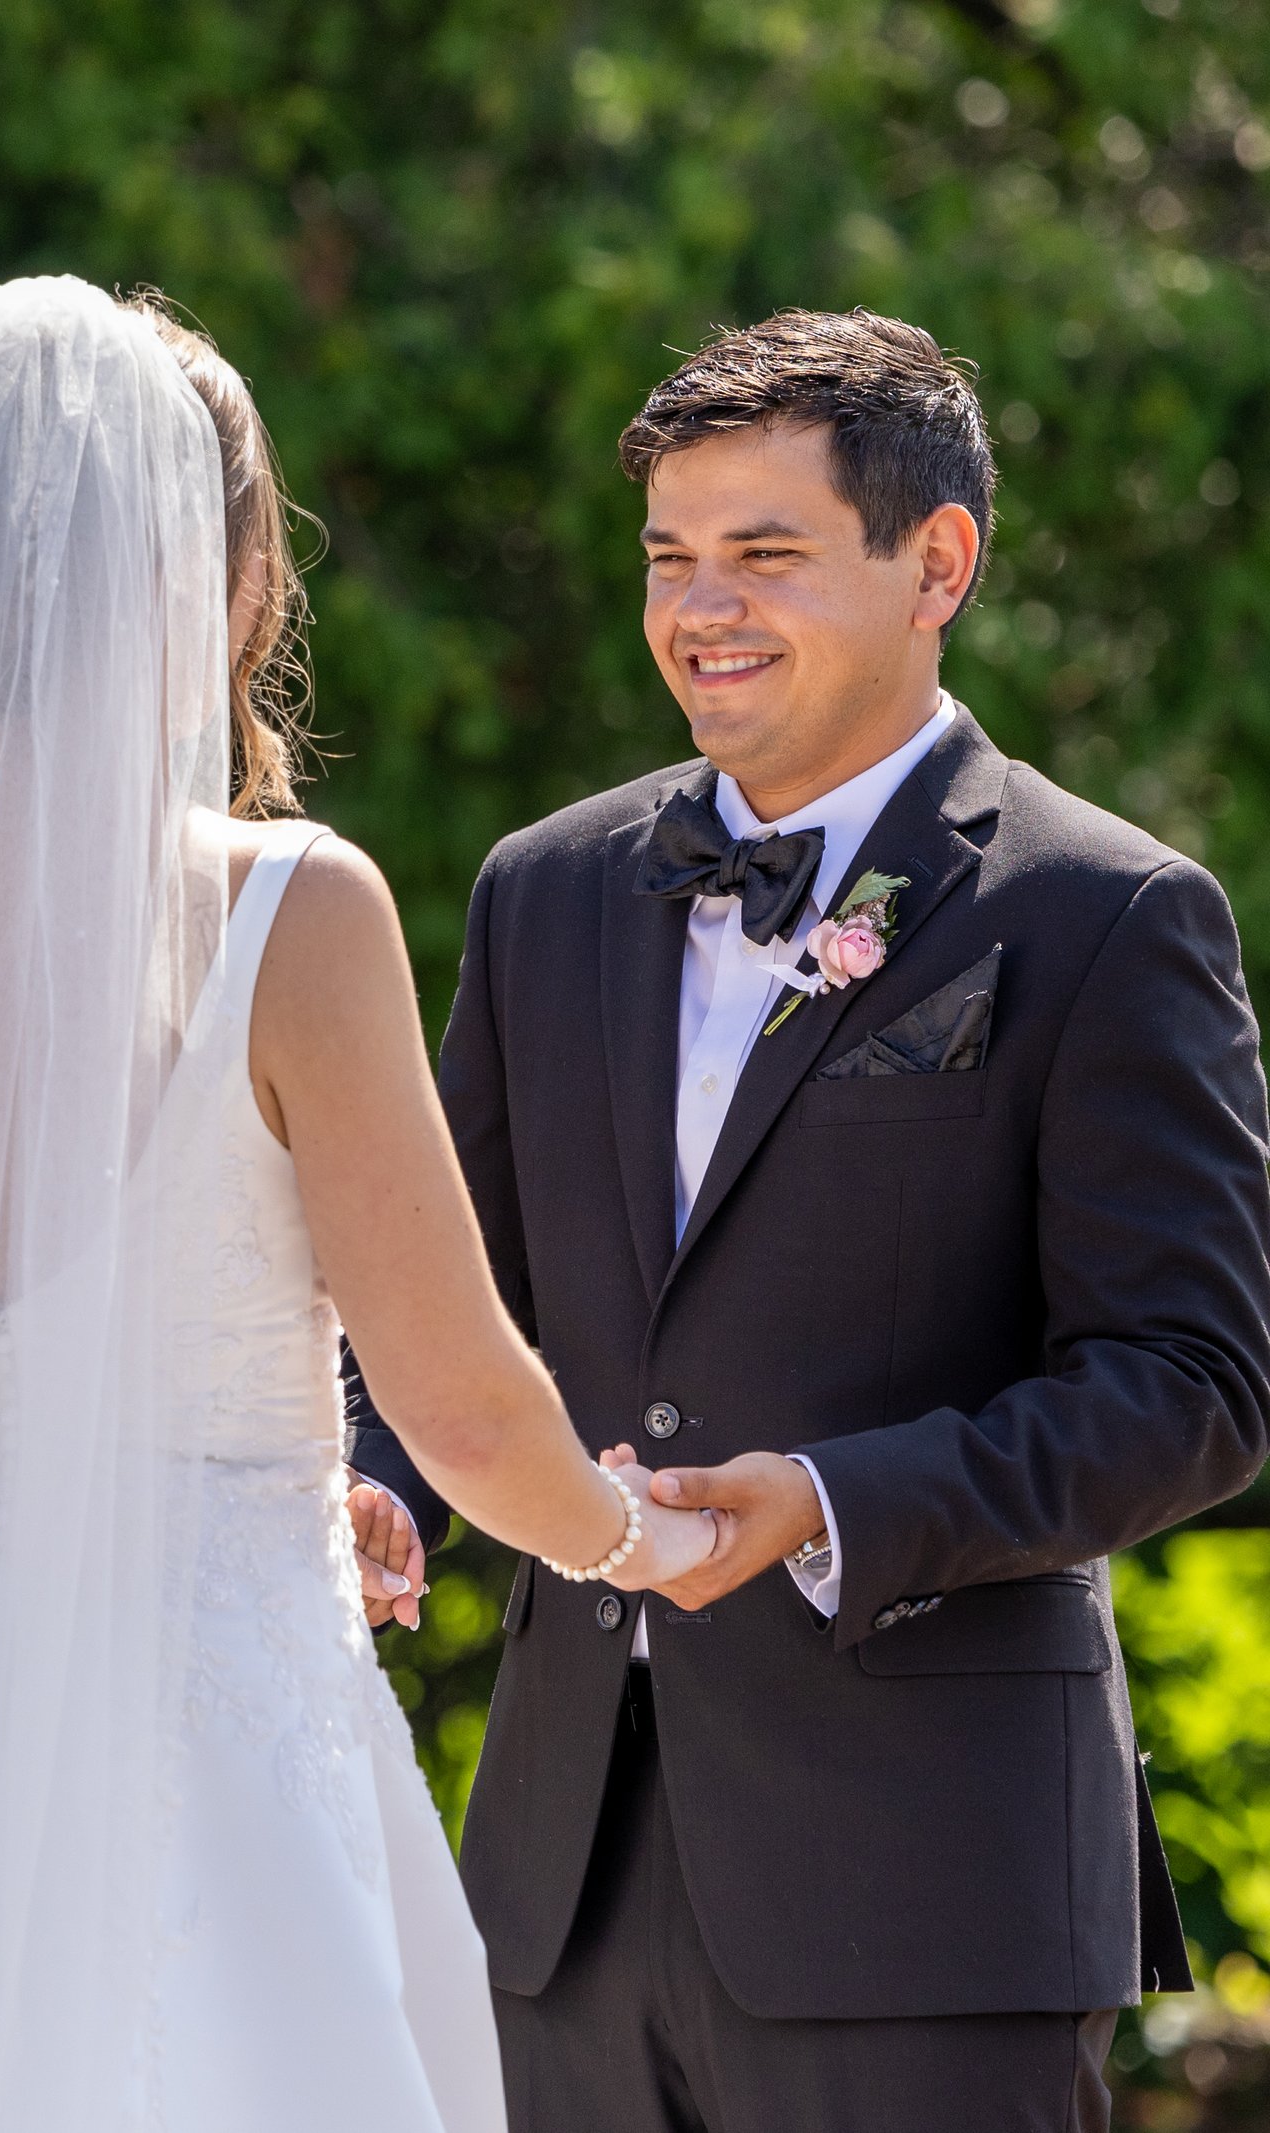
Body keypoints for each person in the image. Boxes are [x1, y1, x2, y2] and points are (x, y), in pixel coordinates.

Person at [0, 275, 712, 2132]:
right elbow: (463, 1401)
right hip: (210, 1750)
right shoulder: (288, 907)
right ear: (221, 579)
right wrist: (641, 1546)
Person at [347, 309, 1270, 2132]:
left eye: (764, 555)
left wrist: (835, 1505)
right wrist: (381, 1471)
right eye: (669, 560)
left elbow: (1193, 1384)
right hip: (560, 1888)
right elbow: (434, 1290)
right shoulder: (541, 894)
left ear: (940, 562)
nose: (701, 607)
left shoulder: (1111, 915)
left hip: (931, 1895)